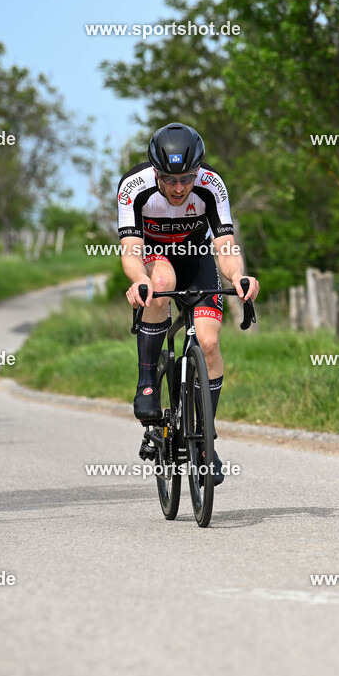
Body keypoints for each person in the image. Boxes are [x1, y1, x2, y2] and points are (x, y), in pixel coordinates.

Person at [117, 122, 259, 485]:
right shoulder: (134, 187)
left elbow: (225, 245)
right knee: (160, 284)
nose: (179, 188)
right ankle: (147, 380)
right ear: (155, 172)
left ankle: (204, 440)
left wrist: (238, 277)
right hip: (156, 260)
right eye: (169, 180)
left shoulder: (211, 184)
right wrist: (140, 282)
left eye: (187, 179)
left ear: (198, 171)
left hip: (197, 260)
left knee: (209, 343)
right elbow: (131, 250)